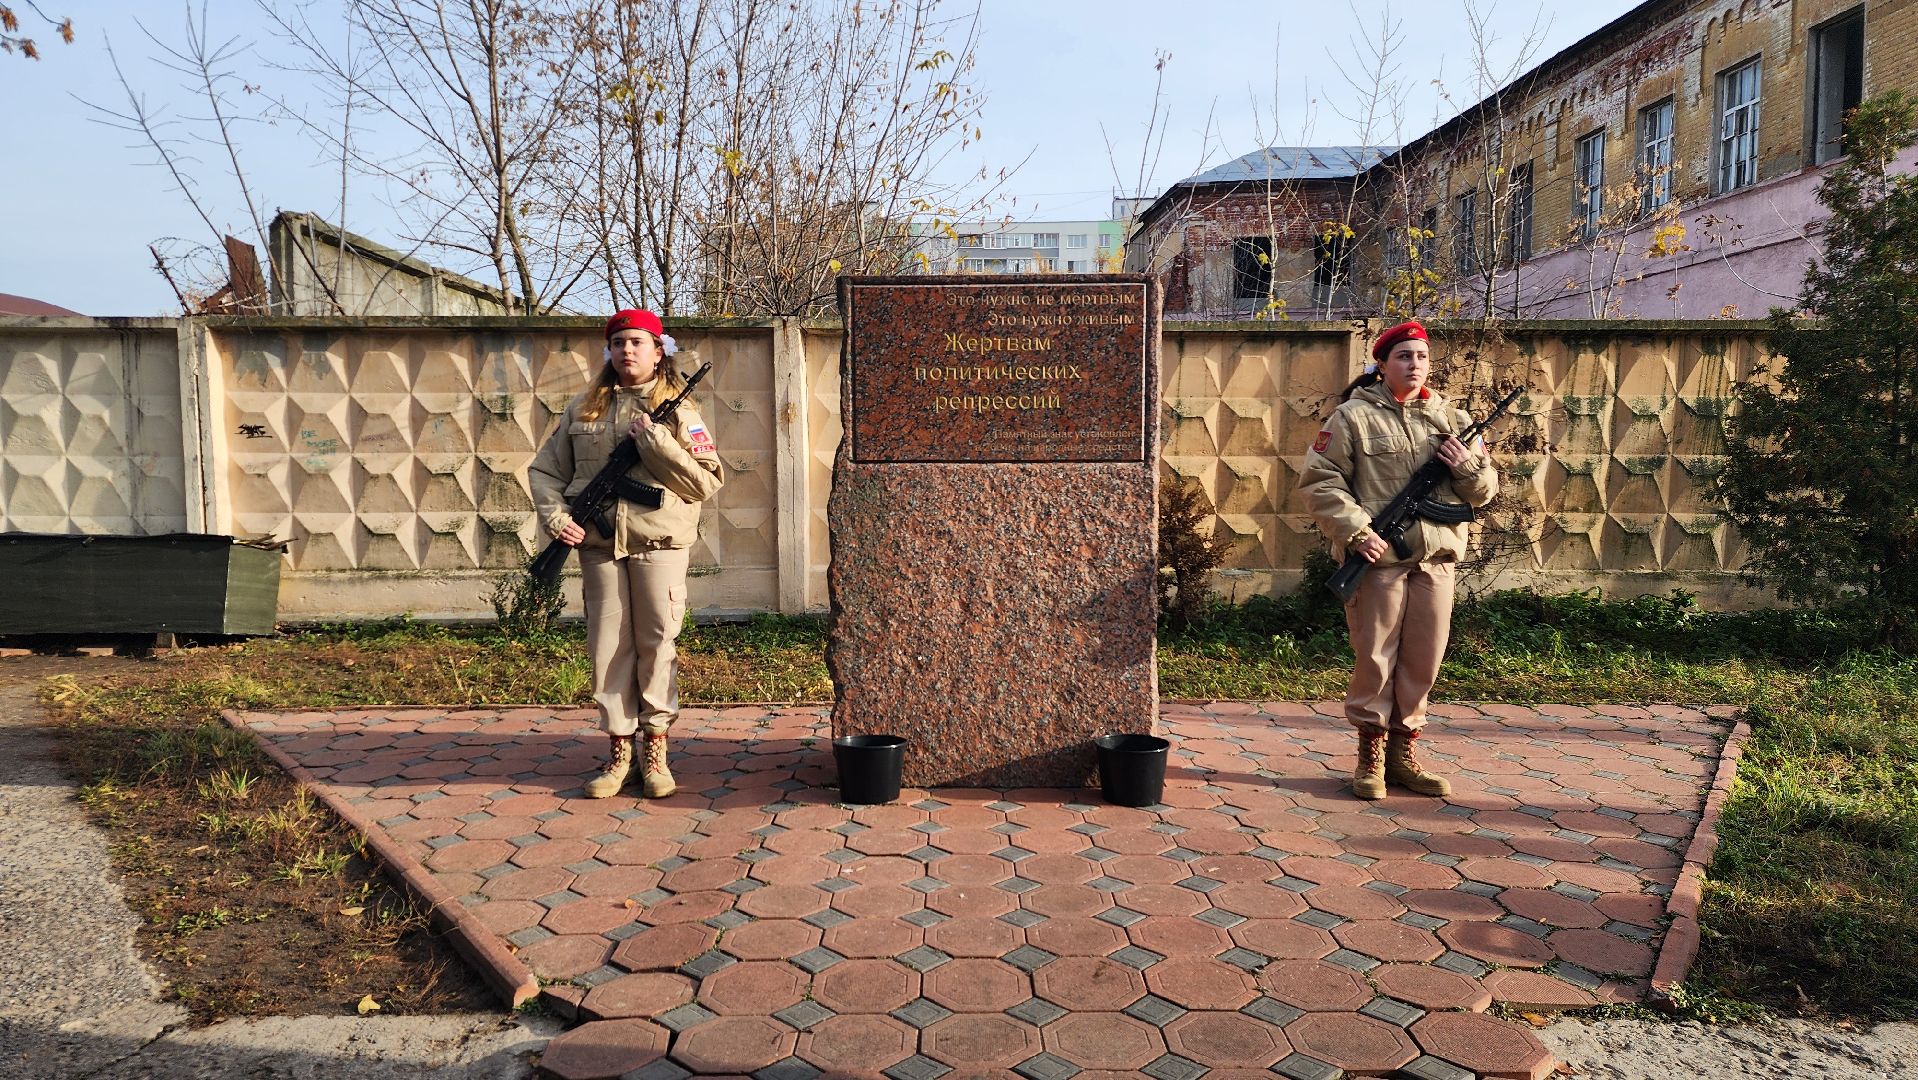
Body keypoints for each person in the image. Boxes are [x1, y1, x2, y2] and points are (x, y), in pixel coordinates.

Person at [1297, 320, 1498, 800]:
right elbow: (1320, 482)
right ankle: (1370, 755)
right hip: (1380, 559)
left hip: (1435, 559)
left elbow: (1485, 490)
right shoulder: (1352, 418)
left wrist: (1464, 465)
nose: (1414, 365)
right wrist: (1354, 531)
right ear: (1383, 365)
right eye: (1404, 356)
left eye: (1421, 356)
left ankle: (1404, 755)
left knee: (1424, 660)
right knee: (1375, 659)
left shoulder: (1452, 419)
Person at [529, 309, 724, 799]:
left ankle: (654, 751)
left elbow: (706, 480)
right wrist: (557, 519)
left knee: (658, 643)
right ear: (609, 353)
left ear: (659, 352)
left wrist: (658, 445)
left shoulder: (679, 411)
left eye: (638, 342)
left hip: (659, 543)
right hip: (598, 545)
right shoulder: (583, 408)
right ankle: (619, 752)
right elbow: (545, 472)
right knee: (608, 648)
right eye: (618, 343)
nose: (627, 351)